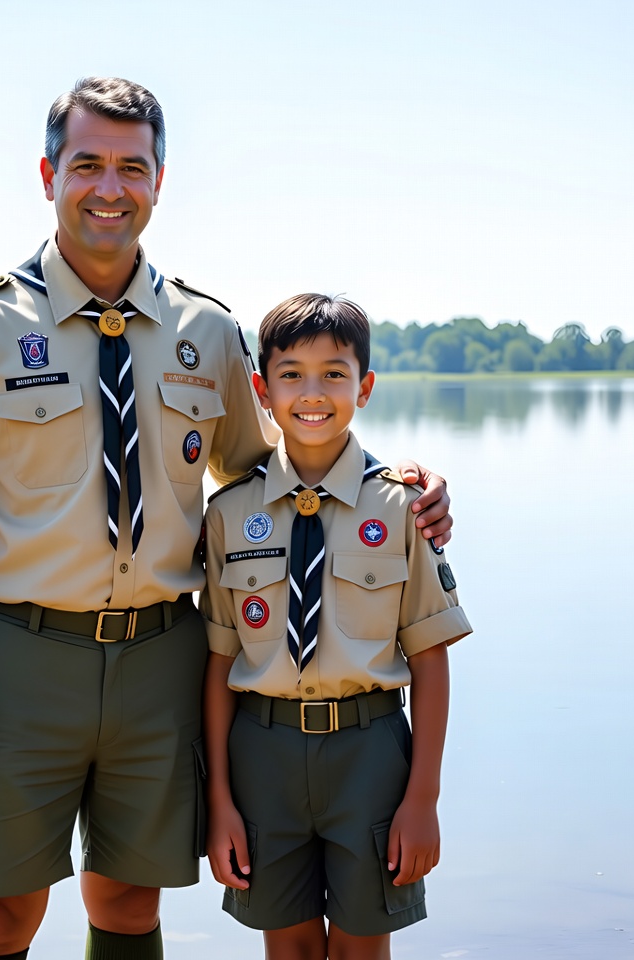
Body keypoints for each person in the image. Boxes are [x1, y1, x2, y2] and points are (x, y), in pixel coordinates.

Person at [0, 78, 453, 960]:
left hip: (161, 657)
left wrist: (400, 487)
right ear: (48, 174)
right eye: (88, 165)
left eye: (131, 168)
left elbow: (281, 467)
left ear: (159, 180)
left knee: (130, 901)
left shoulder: (206, 332)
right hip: (20, 654)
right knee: (0, 912)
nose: (111, 188)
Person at [200, 294, 472, 960]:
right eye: (291, 374)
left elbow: (431, 660)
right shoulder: (230, 513)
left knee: (361, 949)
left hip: (371, 753)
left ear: (365, 386)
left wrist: (423, 799)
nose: (312, 392)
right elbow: (217, 667)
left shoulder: (403, 505)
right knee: (286, 946)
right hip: (262, 752)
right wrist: (221, 801)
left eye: (334, 373)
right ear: (262, 391)